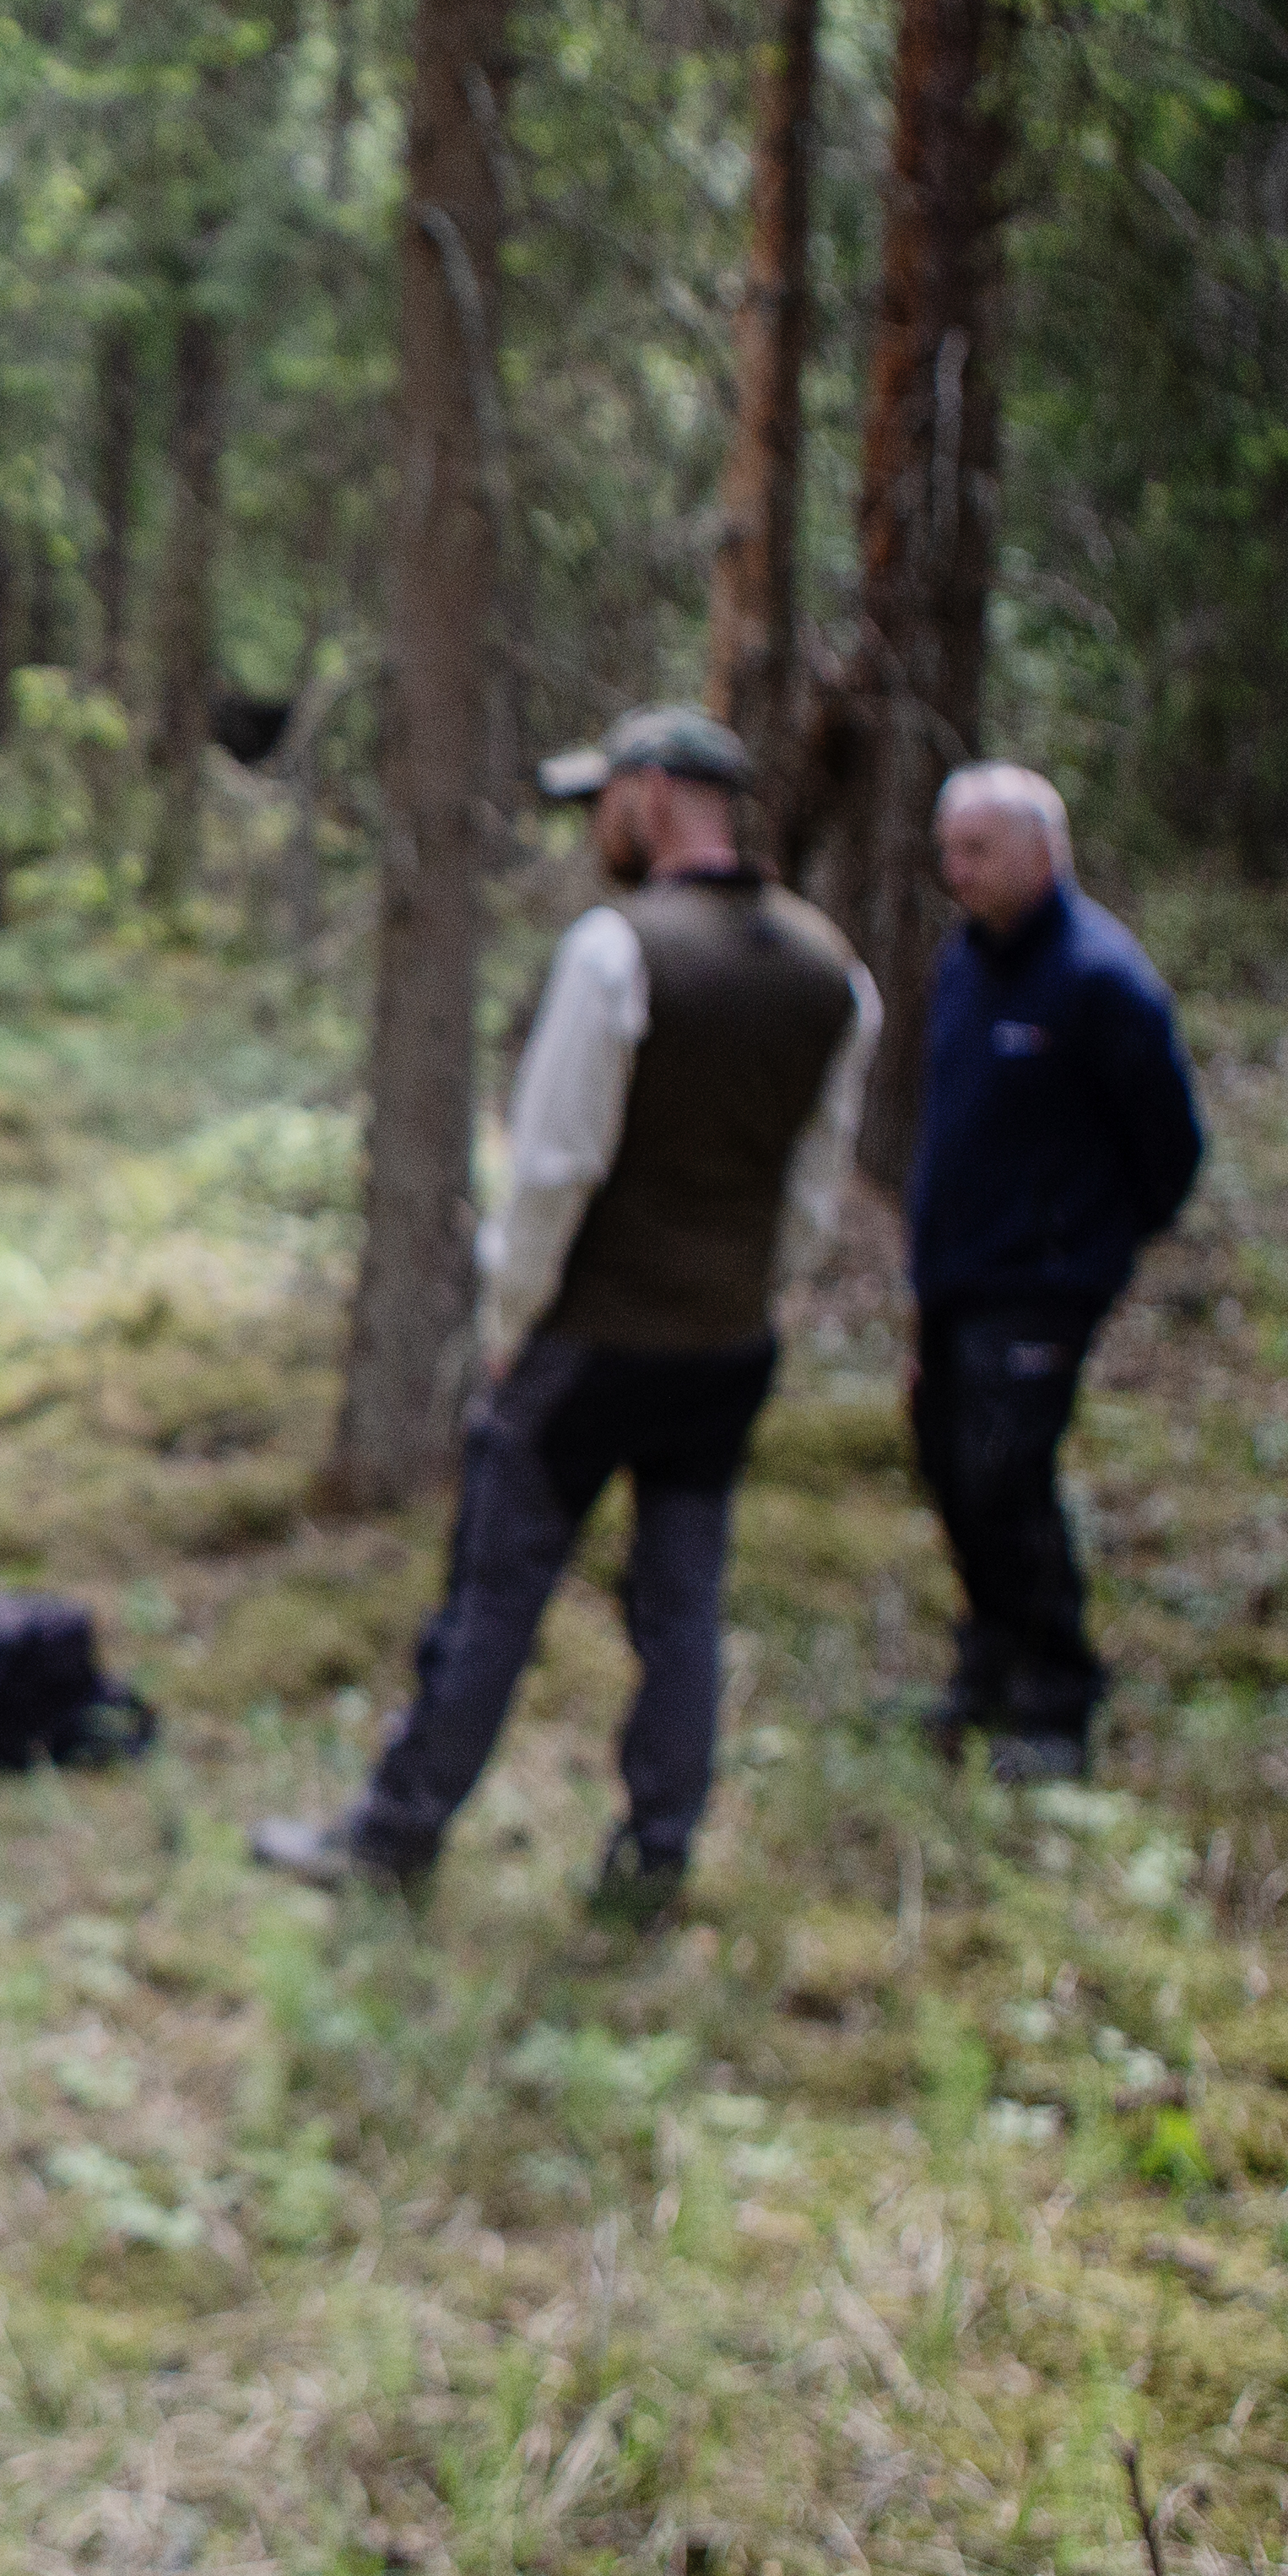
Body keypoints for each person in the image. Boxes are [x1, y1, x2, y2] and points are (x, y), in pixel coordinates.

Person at [257, 706, 878, 1921]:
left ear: (650, 795)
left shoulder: (617, 953)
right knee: (683, 1598)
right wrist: (755, 1292)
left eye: (606, 799)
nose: (599, 823)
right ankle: (657, 1853)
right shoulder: (829, 968)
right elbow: (814, 1182)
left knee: (495, 1596)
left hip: (589, 1346)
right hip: (726, 1345)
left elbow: (553, 1170)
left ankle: (394, 1838)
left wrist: (512, 1320)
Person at [903, 762, 1206, 1784]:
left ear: (1043, 851)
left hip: (1041, 1281)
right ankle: (987, 1664)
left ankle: (1055, 1699)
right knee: (950, 1465)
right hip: (955, 1271)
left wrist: (1086, 1248)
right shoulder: (966, 960)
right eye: (949, 849)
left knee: (1005, 1472)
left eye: (978, 850)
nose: (956, 871)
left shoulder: (1099, 979)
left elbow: (1169, 1146)